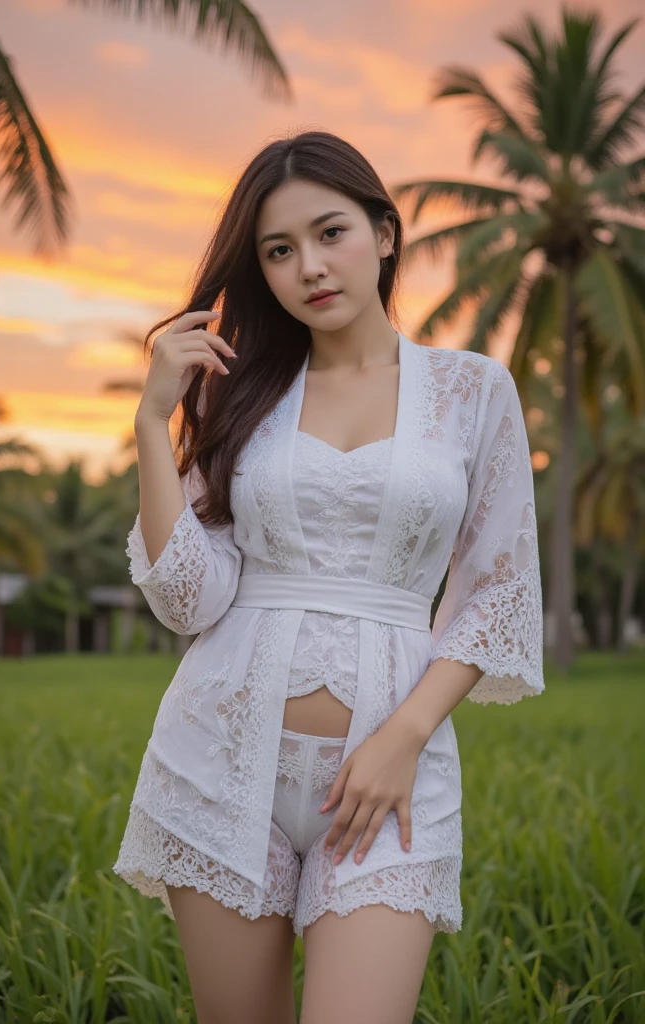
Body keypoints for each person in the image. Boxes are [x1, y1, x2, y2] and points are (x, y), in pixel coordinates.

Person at [113, 129, 544, 1023]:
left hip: (390, 775)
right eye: (278, 250)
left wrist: (405, 737)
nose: (308, 265)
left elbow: (498, 587)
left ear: (384, 234)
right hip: (217, 759)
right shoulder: (237, 395)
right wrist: (155, 425)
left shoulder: (471, 391)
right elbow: (189, 598)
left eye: (330, 232)